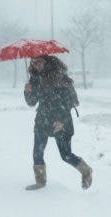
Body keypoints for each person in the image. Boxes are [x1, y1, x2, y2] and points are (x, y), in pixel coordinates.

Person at [24, 55, 92, 190]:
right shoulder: (35, 78)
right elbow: (32, 102)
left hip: (60, 119)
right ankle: (40, 181)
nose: (36, 65)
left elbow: (69, 101)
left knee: (66, 155)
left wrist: (61, 120)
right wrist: (27, 92)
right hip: (43, 119)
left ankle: (86, 171)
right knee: (37, 152)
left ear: (46, 61)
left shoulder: (58, 76)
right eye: (33, 62)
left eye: (38, 62)